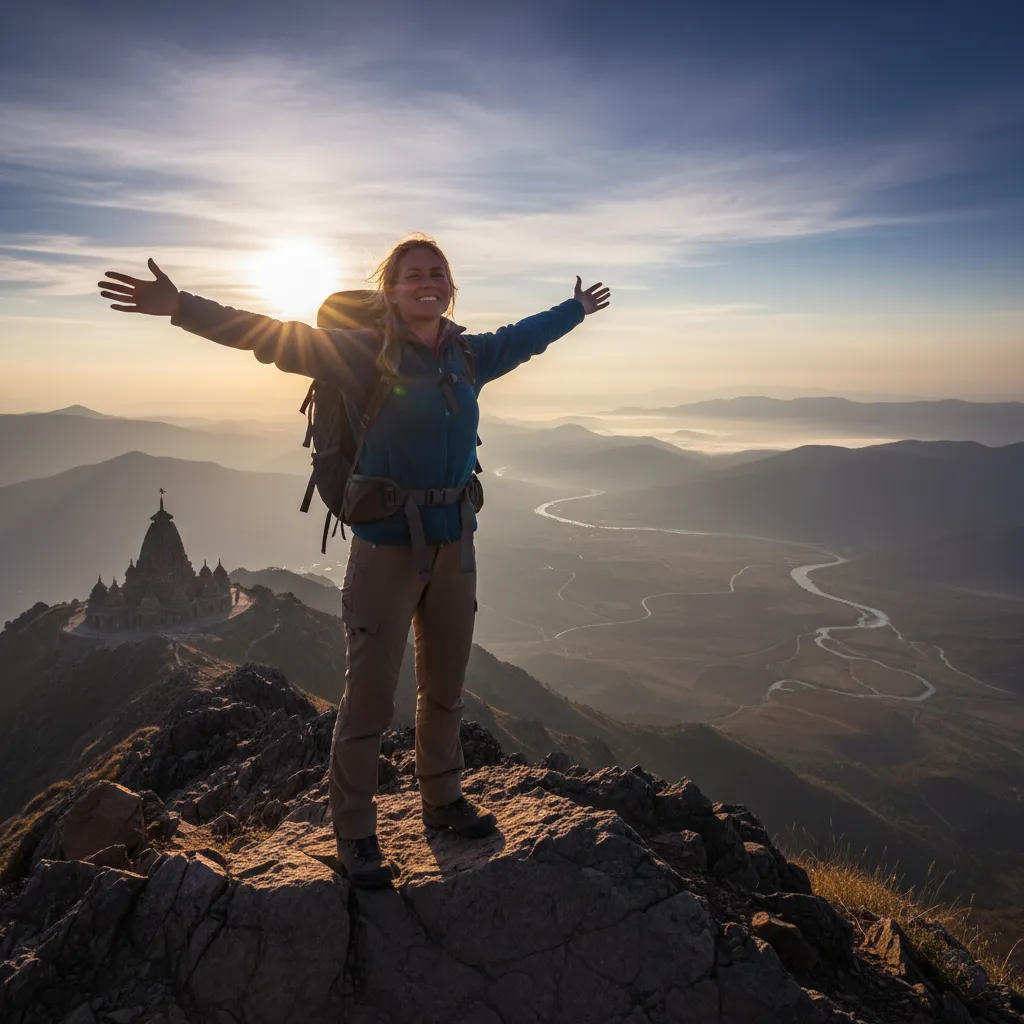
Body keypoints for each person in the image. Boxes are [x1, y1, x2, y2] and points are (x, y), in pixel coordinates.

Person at [97, 235, 611, 887]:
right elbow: (269, 336)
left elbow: (526, 334)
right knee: (369, 699)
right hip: (385, 551)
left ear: (449, 287)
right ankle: (356, 835)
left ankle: (444, 799)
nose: (427, 282)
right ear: (391, 290)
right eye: (412, 274)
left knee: (445, 687)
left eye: (437, 273)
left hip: (456, 544)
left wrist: (573, 312)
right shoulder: (363, 354)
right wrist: (180, 306)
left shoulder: (467, 353)